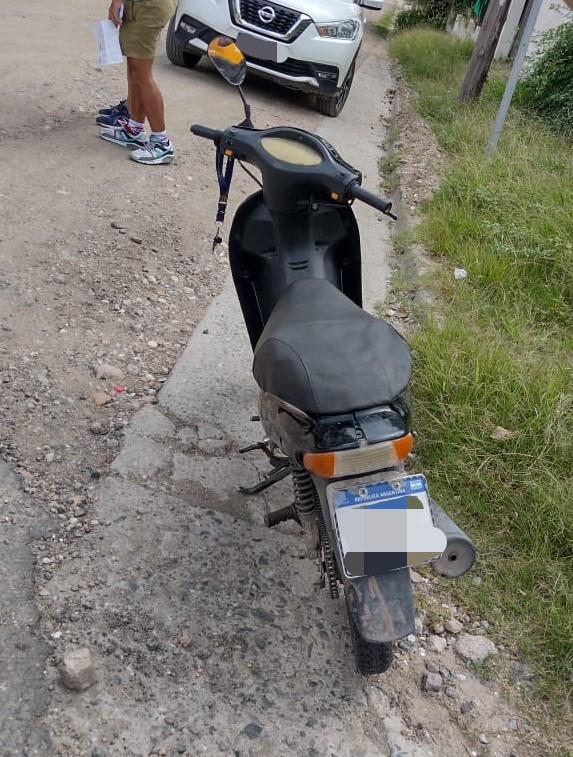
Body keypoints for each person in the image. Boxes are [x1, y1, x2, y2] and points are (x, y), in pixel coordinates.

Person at [98, 0, 175, 165]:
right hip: (141, 6)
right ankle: (134, 129)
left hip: (148, 7)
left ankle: (161, 142)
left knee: (142, 75)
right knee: (135, 69)